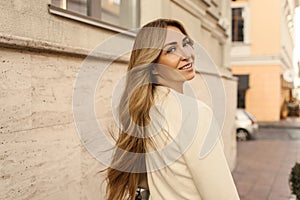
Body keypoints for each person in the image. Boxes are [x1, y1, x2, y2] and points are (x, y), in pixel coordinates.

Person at [105, 18, 240, 200]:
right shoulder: (195, 114)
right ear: (153, 66)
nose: (186, 55)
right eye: (171, 50)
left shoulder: (145, 110)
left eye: (186, 44)